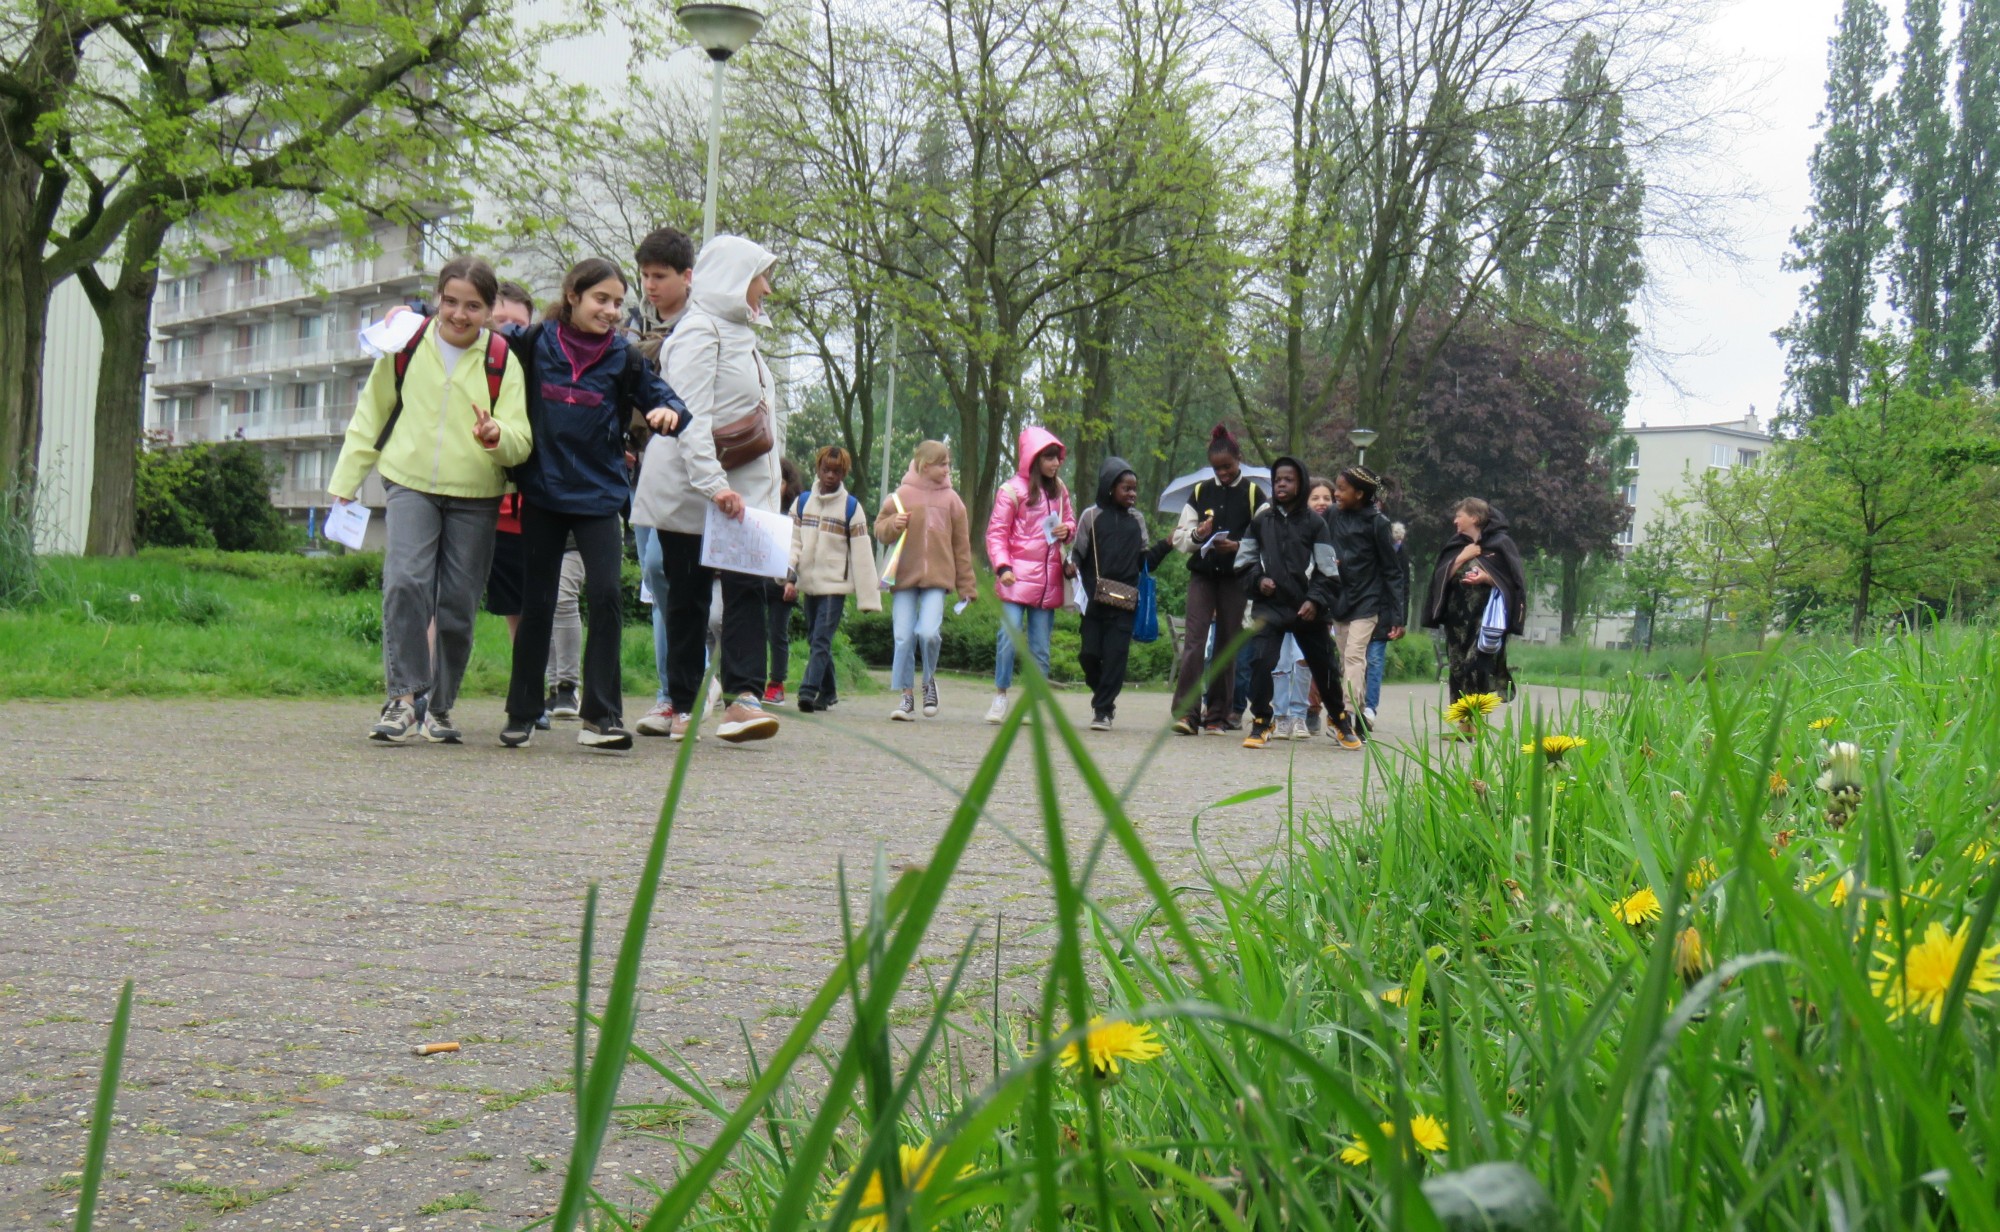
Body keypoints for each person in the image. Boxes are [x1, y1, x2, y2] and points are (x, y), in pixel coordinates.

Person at [328, 256, 531, 744]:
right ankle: (402, 699)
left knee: (458, 606)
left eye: (473, 306)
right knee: (405, 583)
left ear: (488, 310)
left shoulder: (502, 358)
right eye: (451, 302)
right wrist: (346, 479)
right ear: (438, 298)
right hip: (409, 481)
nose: (460, 315)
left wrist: (494, 433)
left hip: (476, 492)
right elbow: (370, 414)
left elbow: (520, 439)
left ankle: (439, 707)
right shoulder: (406, 345)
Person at [499, 257, 688, 750]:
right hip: (543, 488)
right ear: (573, 297)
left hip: (600, 493)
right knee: (536, 600)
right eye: (601, 299)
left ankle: (601, 717)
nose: (610, 310)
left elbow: (663, 397)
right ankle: (522, 711)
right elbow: (485, 340)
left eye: (618, 303)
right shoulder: (536, 343)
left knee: (605, 596)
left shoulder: (624, 358)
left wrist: (669, 410)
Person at [632, 234, 787, 744]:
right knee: (686, 596)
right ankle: (679, 702)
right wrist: (714, 485)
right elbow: (687, 419)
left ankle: (742, 699)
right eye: (760, 276)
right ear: (736, 279)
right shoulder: (700, 333)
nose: (767, 288)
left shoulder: (743, 336)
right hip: (693, 491)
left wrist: (767, 496)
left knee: (746, 589)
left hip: (737, 498)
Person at [1236, 456, 1362, 750]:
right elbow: (1243, 563)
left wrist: (1315, 601)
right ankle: (1261, 722)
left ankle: (1340, 720)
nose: (1281, 483)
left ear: (1301, 484)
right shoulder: (1260, 522)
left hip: (1307, 609)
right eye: (1277, 479)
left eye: (1288, 479)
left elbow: (1328, 571)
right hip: (1271, 607)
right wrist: (1258, 581)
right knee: (1260, 662)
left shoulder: (1316, 524)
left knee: (1325, 666)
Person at [628, 227, 696, 738]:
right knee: (658, 581)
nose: (650, 285)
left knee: (666, 572)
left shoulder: (699, 329)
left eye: (660, 276)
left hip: (689, 472)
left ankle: (689, 687)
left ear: (687, 277)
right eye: (645, 276)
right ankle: (668, 695)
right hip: (645, 467)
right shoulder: (636, 326)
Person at [1171, 424, 1263, 735]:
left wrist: (1238, 546)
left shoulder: (1253, 493)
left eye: (1228, 466)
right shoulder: (1199, 492)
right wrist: (1199, 535)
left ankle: (1218, 715)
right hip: (1203, 576)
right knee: (1195, 642)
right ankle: (1186, 714)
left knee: (1227, 642)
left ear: (1239, 459)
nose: (1222, 473)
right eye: (1217, 468)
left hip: (1235, 579)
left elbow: (1265, 537)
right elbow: (1181, 538)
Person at [876, 440, 976, 720]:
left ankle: (929, 680)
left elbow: (962, 547)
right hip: (904, 578)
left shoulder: (953, 501)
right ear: (925, 465)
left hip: (938, 579)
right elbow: (880, 530)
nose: (947, 469)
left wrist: (966, 586)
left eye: (948, 463)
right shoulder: (901, 494)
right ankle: (906, 696)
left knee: (928, 632)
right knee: (903, 636)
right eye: (942, 463)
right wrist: (891, 525)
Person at [1069, 458, 1171, 730]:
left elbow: (1144, 562)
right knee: (1088, 655)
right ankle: (1103, 694)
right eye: (1126, 488)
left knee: (1115, 658)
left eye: (1135, 489)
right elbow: (1078, 553)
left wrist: (1168, 544)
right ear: (1110, 487)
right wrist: (1071, 567)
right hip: (1094, 601)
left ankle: (1103, 710)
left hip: (1125, 602)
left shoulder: (1136, 520)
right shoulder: (1091, 516)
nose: (1132, 494)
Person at [984, 427, 1076, 723]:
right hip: (1015, 578)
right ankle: (1000, 695)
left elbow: (1070, 522)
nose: (1055, 463)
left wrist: (1068, 530)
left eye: (1057, 457)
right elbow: (996, 533)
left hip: (1047, 581)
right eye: (1049, 457)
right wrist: (1003, 566)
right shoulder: (1010, 491)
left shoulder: (1060, 490)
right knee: (1008, 636)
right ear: (1034, 458)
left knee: (1040, 646)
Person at [788, 446, 880, 712]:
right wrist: (789, 574)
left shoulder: (852, 508)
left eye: (836, 471)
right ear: (817, 469)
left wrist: (868, 598)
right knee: (815, 639)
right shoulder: (803, 502)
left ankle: (808, 691)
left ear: (844, 474)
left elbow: (863, 555)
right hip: (808, 583)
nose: (830, 475)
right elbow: (792, 541)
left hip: (834, 587)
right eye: (826, 470)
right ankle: (828, 692)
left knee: (821, 640)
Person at [1421, 498, 1528, 719]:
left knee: (1477, 665)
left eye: (1459, 516)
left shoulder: (1501, 543)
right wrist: (1463, 557)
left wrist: (1487, 578)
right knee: (1458, 667)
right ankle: (1462, 722)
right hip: (1457, 618)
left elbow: (1514, 582)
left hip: (1486, 619)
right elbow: (1440, 577)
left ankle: (1477, 720)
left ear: (1474, 518)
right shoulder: (1456, 545)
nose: (1455, 521)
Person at [1326, 466, 1407, 736]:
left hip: (1367, 601)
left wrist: (1397, 615)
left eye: (1341, 489)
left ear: (1360, 493)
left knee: (1354, 656)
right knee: (1344, 659)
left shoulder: (1377, 523)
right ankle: (1359, 717)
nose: (1335, 493)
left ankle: (1346, 713)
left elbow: (1392, 571)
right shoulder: (1331, 516)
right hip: (1339, 598)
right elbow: (1320, 547)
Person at [1268, 477, 1337, 739]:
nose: (1321, 503)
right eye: (1314, 497)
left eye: (1326, 498)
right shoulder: (1276, 524)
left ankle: (1299, 715)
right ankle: (1280, 716)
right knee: (1281, 661)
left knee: (1304, 659)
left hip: (1311, 605)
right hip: (1280, 604)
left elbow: (1327, 570)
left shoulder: (1323, 528)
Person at [762, 457, 806, 703]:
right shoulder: (757, 507)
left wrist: (793, 580)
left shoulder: (795, 514)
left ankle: (776, 683)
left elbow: (800, 548)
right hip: (757, 582)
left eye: (779, 480)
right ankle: (751, 680)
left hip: (783, 583)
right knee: (754, 632)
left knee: (777, 633)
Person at [1365, 521, 1410, 721]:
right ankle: (1352, 706)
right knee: (1354, 661)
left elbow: (1403, 587)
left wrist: (1400, 619)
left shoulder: (1400, 555)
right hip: (1361, 607)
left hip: (1384, 613)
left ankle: (1369, 708)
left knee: (1374, 659)